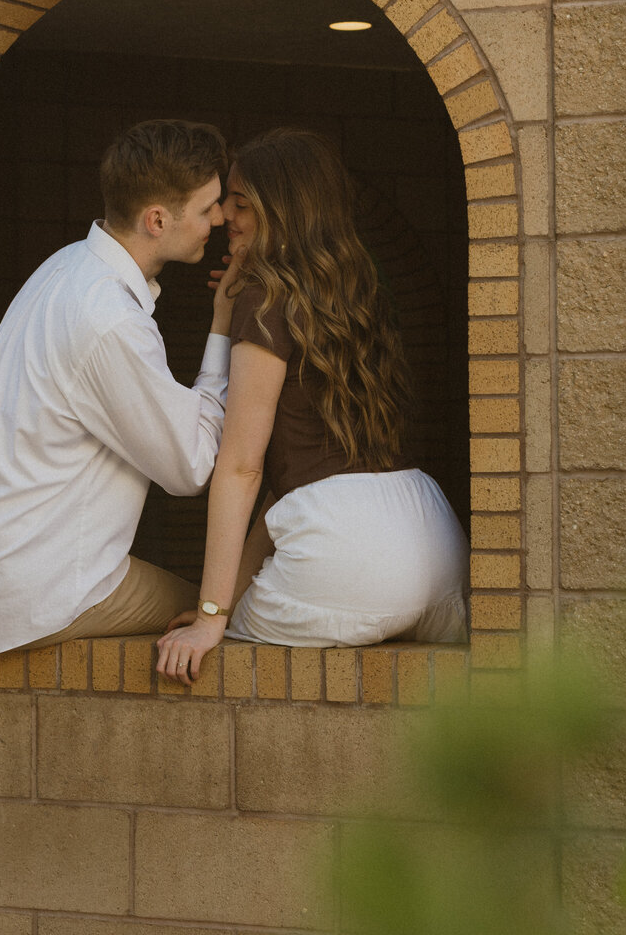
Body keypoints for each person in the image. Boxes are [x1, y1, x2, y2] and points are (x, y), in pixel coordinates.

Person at [0, 119, 244, 655]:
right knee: (224, 612)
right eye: (208, 207)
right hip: (20, 594)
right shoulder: (108, 318)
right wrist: (224, 326)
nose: (221, 218)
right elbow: (192, 466)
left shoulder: (65, 267)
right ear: (157, 219)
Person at [156, 128, 469, 685]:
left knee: (216, 655)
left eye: (241, 202)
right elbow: (290, 484)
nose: (226, 215)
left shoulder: (267, 297)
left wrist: (211, 618)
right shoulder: (359, 288)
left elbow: (244, 466)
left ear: (283, 210)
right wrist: (223, 605)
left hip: (344, 559)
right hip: (435, 547)